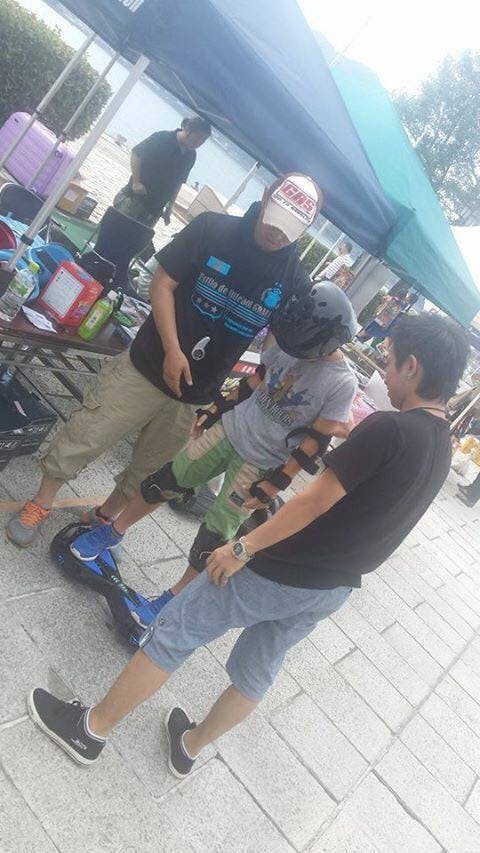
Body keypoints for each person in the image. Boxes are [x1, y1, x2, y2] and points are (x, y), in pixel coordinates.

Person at [27, 313, 469, 774]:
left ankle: (90, 730)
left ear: (413, 366)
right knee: (259, 669)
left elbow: (313, 502)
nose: (386, 373)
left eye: (391, 362)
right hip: (333, 589)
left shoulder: (389, 428)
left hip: (286, 569)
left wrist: (243, 548)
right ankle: (189, 747)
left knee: (177, 629)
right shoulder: (441, 446)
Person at [7, 174, 323, 547]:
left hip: (198, 391)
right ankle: (41, 501)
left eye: (288, 231)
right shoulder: (213, 228)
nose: (277, 235)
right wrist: (173, 350)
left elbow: (275, 347)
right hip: (148, 361)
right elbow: (162, 283)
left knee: (152, 464)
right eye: (274, 223)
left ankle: (105, 514)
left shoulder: (295, 280)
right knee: (89, 431)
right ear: (267, 195)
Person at [67, 283, 358, 616]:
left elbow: (315, 441)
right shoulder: (291, 339)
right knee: (165, 480)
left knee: (216, 533)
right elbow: (256, 379)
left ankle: (171, 602)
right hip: (228, 432)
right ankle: (112, 532)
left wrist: (277, 483)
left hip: (259, 464)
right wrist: (215, 409)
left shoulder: (342, 383)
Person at [113, 117, 211, 227]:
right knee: (114, 229)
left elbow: (179, 182)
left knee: (138, 236)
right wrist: (136, 182)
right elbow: (137, 154)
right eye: (196, 139)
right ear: (188, 130)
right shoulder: (162, 138)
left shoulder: (191, 155)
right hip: (135, 198)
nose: (197, 144)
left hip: (155, 209)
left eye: (202, 142)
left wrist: (170, 206)